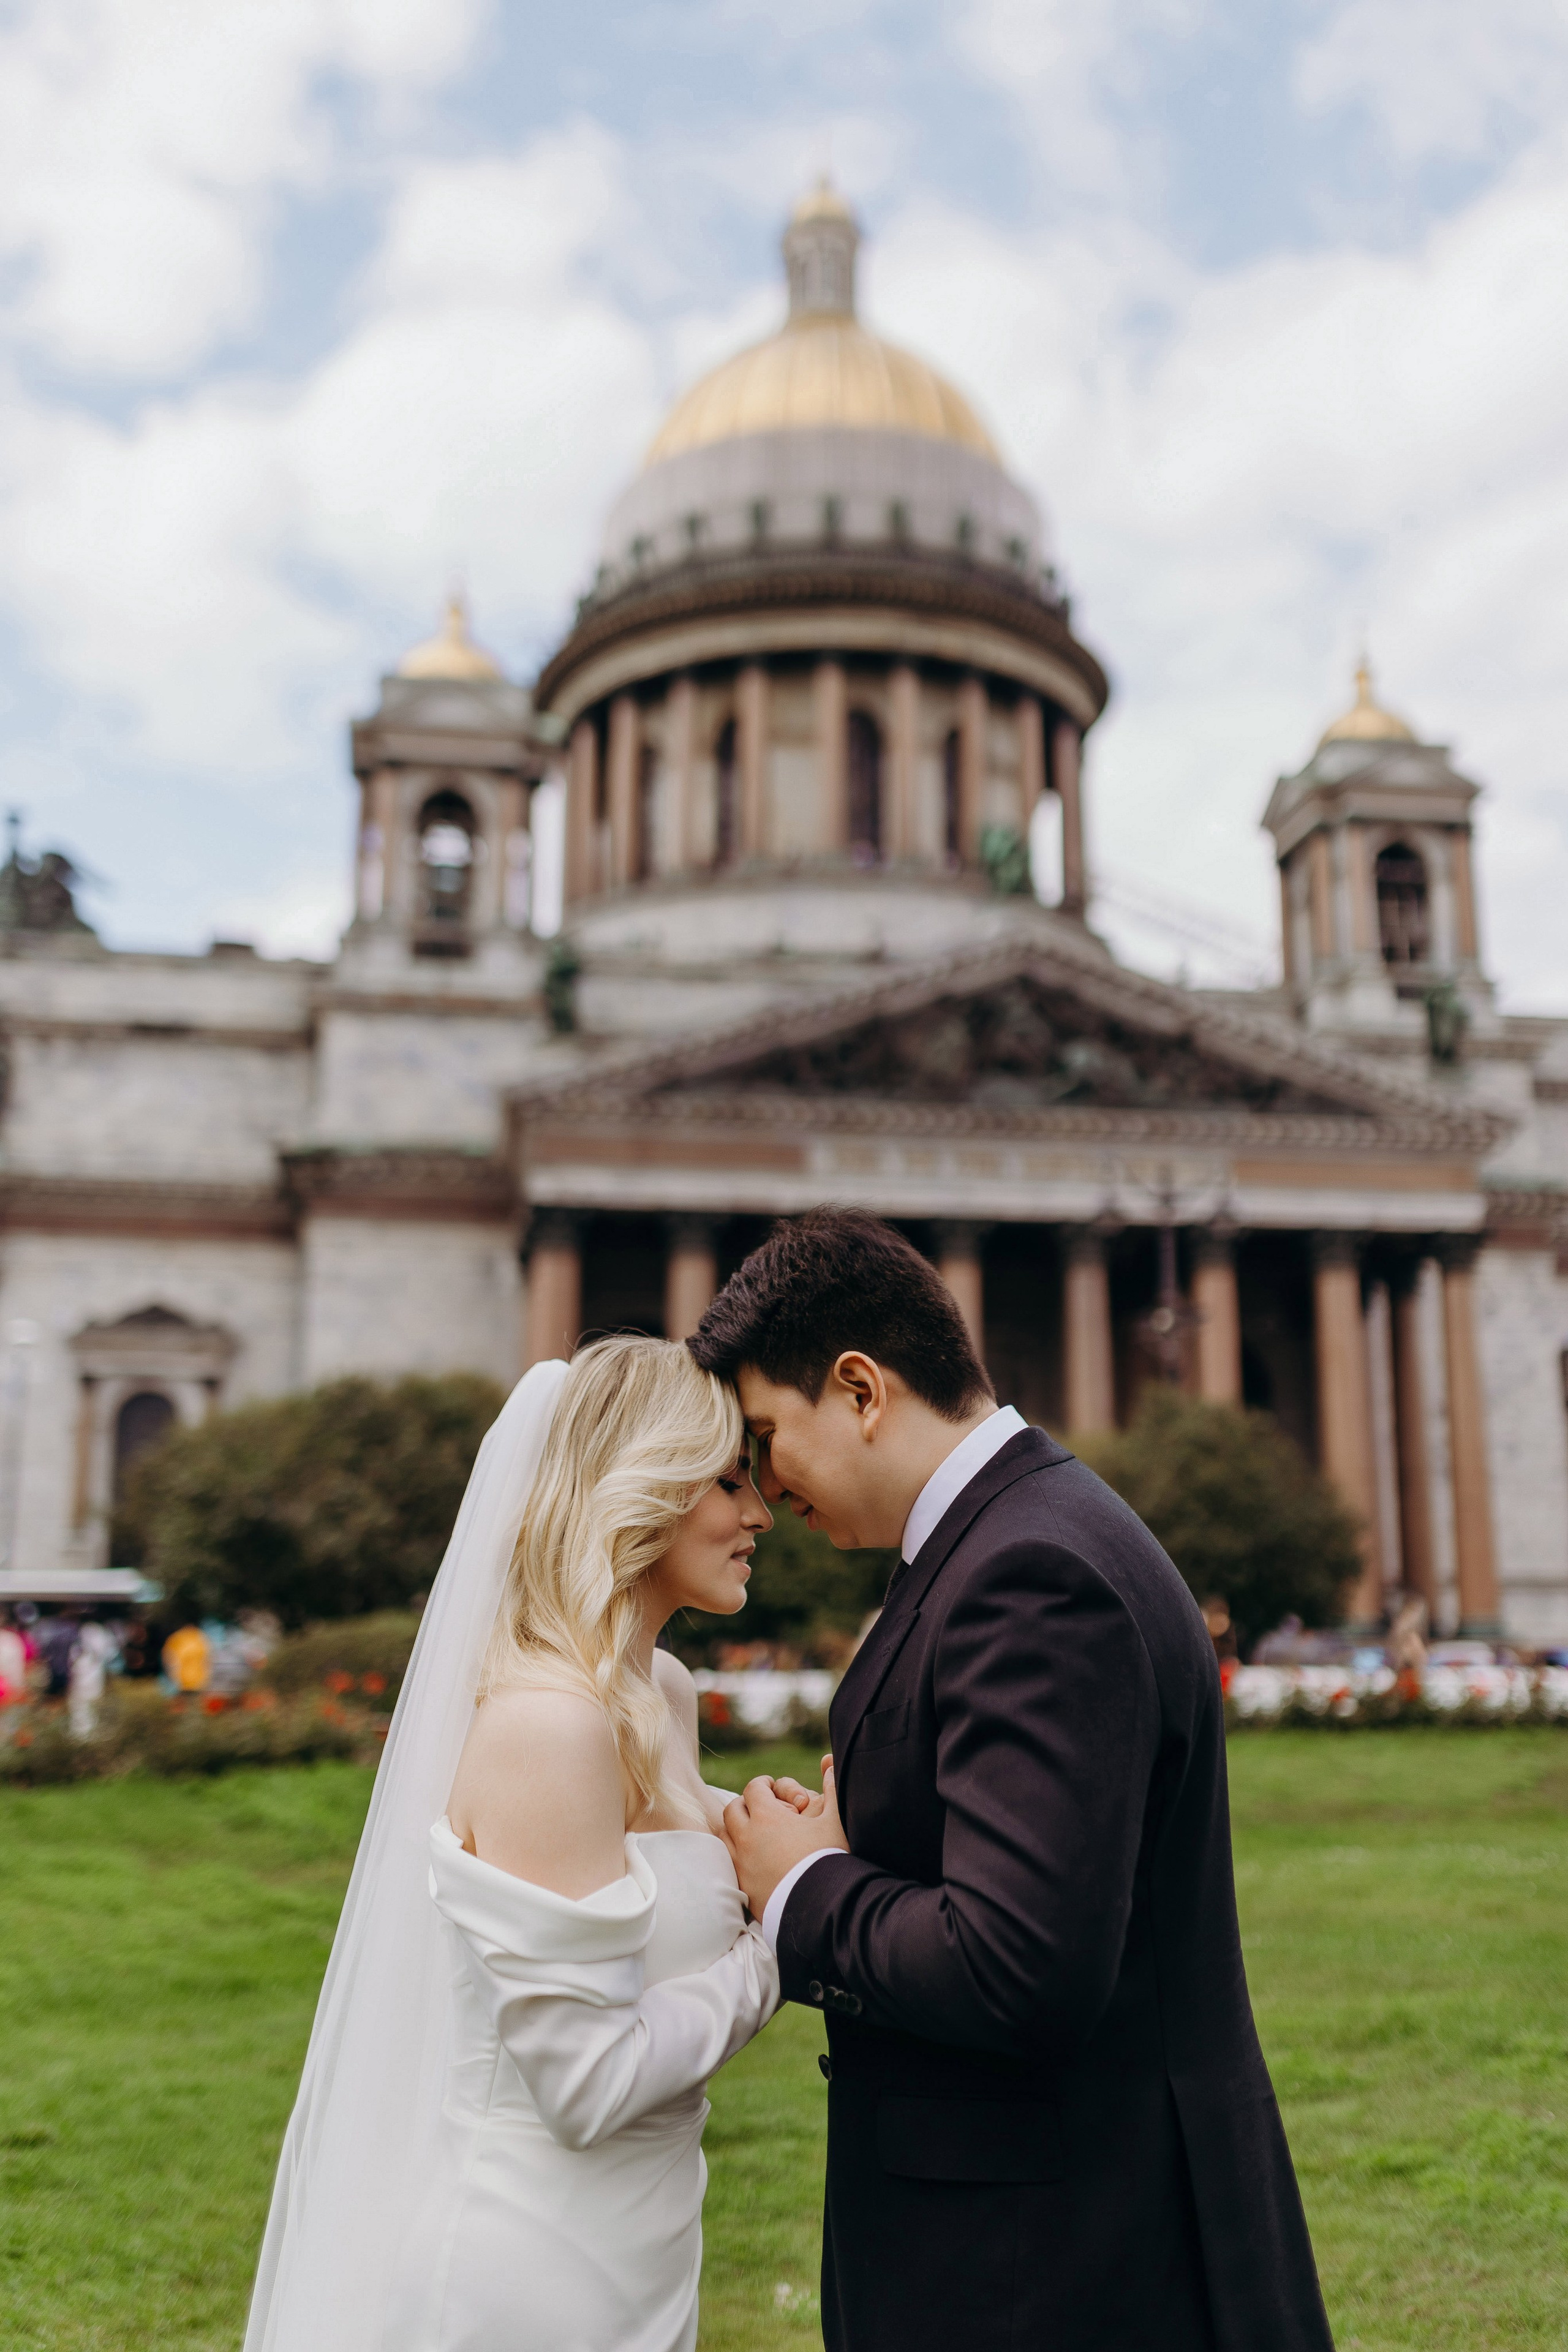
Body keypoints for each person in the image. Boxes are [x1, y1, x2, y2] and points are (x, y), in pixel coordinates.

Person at [696, 1208, 1335, 2352]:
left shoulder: (1026, 1572)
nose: (760, 1485)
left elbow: (1019, 1965)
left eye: (763, 1435)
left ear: (859, 1388)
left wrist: (804, 1890)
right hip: (1056, 2238)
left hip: (1053, 2267)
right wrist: (861, 1839)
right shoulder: (1010, 1536)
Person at [246, 1338, 780, 2352]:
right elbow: (587, 2086)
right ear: (644, 1482)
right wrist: (781, 1949)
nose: (757, 1515)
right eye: (726, 1481)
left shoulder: (658, 1697)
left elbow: (706, 1855)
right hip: (531, 2267)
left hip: (648, 2240)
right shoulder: (549, 1726)